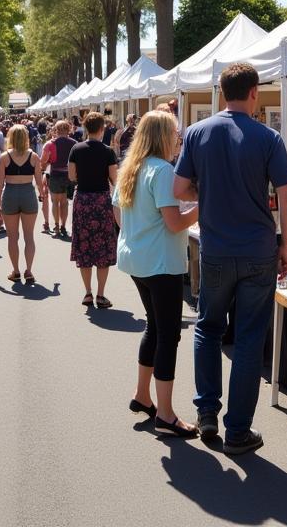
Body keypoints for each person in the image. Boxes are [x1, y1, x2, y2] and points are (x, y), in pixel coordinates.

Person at [174, 62, 287, 455]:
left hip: (214, 249)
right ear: (254, 93)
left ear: (222, 91)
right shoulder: (268, 138)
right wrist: (285, 244)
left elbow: (181, 188)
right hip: (258, 250)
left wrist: (209, 192)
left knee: (207, 329)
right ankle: (238, 431)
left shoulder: (196, 133)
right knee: (248, 339)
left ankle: (207, 411)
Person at [113, 110, 199, 438]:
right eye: (176, 134)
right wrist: (203, 208)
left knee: (154, 326)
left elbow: (118, 212)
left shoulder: (130, 168)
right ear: (163, 136)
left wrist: (139, 231)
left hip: (136, 259)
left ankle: (143, 395)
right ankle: (165, 413)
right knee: (168, 335)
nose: (178, 140)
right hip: (161, 262)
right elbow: (174, 222)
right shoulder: (162, 170)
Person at [67, 111, 119, 308]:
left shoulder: (76, 149)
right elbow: (114, 179)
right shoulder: (108, 151)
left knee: (85, 246)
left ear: (86, 128)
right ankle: (100, 294)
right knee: (103, 248)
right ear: (102, 128)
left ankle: (87, 292)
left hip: (82, 200)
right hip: (101, 201)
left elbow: (72, 177)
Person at [0, 123, 44, 285]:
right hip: (28, 193)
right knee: (29, 236)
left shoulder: (4, 157)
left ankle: (15, 271)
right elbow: (39, 181)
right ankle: (29, 270)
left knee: (12, 237)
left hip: (10, 193)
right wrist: (43, 195)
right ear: (26, 138)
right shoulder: (34, 157)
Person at [40, 120, 76, 238]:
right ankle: (63, 226)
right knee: (65, 202)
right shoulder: (74, 143)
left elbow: (43, 161)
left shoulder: (50, 144)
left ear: (56, 130)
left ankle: (56, 226)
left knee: (55, 202)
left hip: (55, 174)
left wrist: (48, 163)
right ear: (68, 129)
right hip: (69, 176)